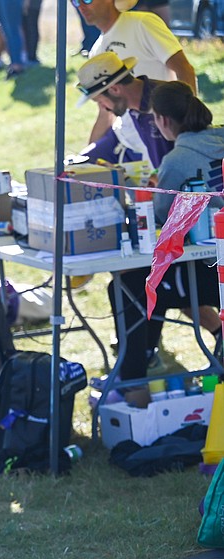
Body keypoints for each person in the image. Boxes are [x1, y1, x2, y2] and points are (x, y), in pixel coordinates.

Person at [111, 80, 224, 407]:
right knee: (154, 282)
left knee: (131, 285)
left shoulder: (178, 160)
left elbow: (162, 219)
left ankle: (136, 390)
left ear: (160, 120)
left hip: (211, 271)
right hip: (212, 264)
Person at [78, 0, 195, 159]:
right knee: (76, 168)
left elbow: (184, 69)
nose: (81, 6)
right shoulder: (96, 51)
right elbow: (105, 113)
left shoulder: (142, 23)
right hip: (123, 139)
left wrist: (189, 128)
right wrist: (85, 161)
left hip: (160, 134)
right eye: (75, 2)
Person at [77, 52, 172, 169]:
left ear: (115, 89)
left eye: (101, 102)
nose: (105, 108)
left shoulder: (165, 101)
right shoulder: (135, 108)